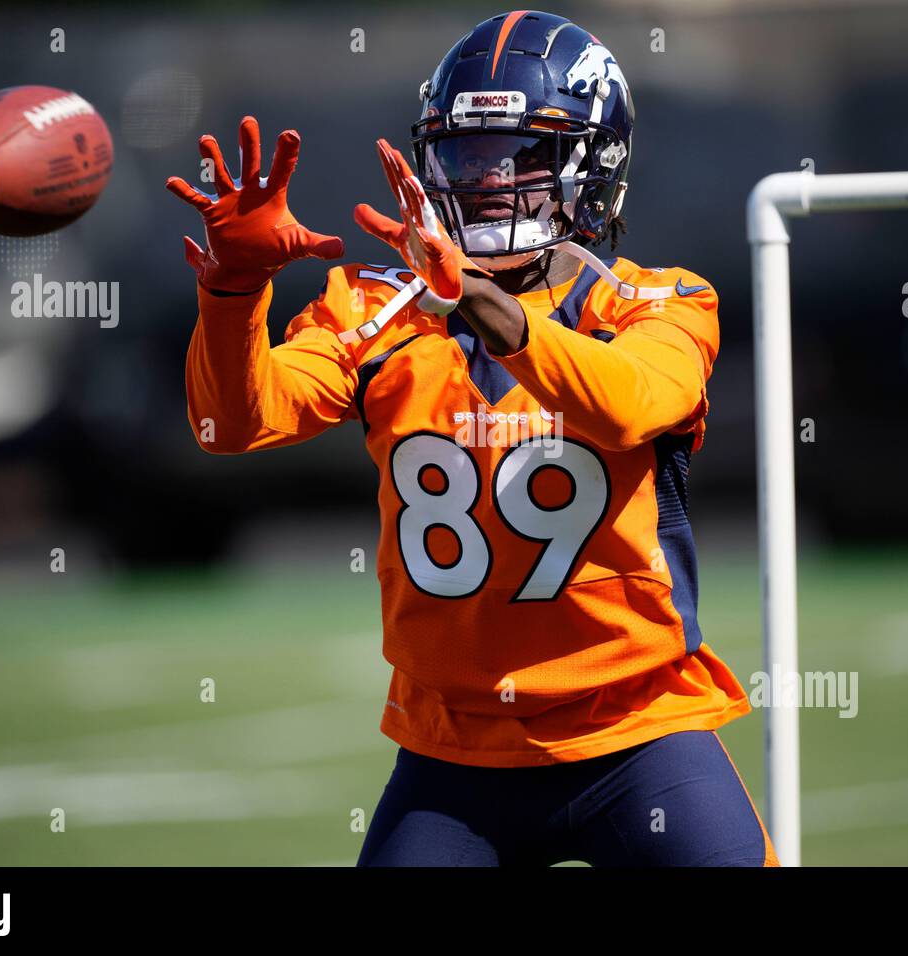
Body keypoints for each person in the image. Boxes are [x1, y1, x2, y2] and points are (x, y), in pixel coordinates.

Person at [167, 9, 778, 867]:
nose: (489, 181)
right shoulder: (376, 306)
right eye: (467, 154)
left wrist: (474, 305)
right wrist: (232, 293)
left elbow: (629, 402)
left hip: (638, 726)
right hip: (455, 750)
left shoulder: (655, 301)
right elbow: (230, 423)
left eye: (521, 155)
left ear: (592, 166)